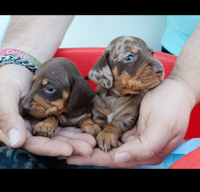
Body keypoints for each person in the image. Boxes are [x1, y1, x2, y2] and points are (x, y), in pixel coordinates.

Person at [0, 15, 200, 168]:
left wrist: (183, 82)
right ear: (106, 71)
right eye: (130, 58)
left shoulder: (137, 95)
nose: (157, 67)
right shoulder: (96, 94)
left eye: (150, 54)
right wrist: (16, 63)